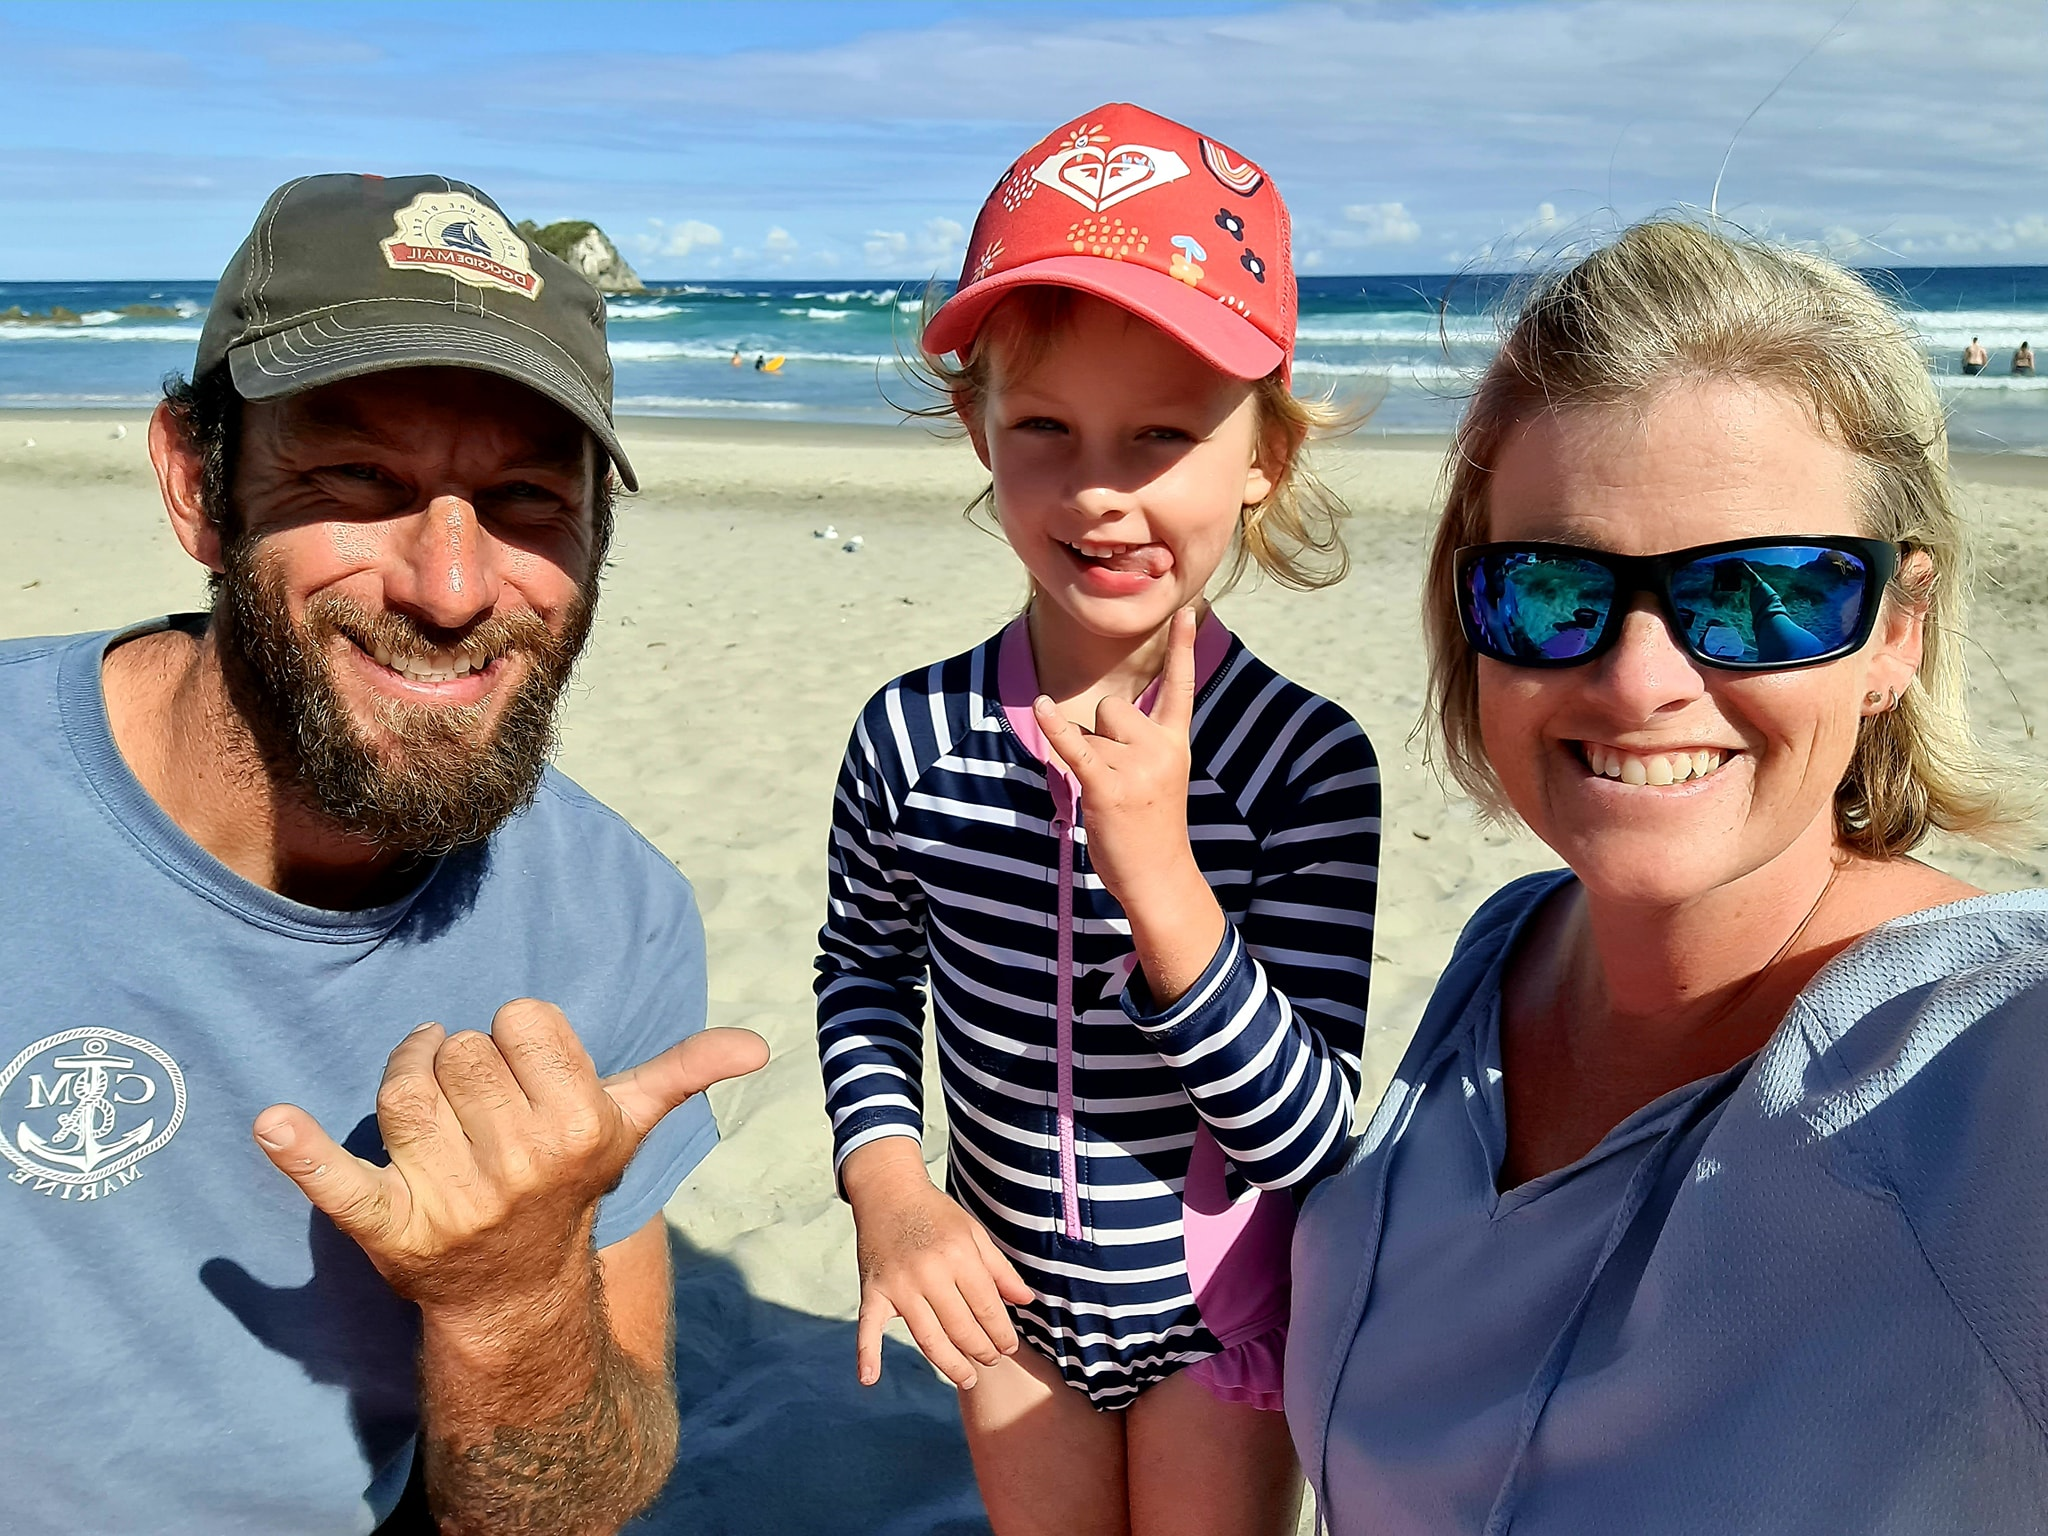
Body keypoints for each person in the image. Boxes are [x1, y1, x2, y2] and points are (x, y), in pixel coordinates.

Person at [0, 174, 767, 1536]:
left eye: (528, 498)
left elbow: (564, 1512)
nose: (453, 587)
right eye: (358, 479)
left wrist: (516, 1305)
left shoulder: (612, 918)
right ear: (197, 485)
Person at [1289, 220, 2046, 1530]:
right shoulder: (1505, 951)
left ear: (1897, 633)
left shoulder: (1979, 1064)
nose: (1641, 680)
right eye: (1550, 591)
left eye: (1765, 594)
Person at [814, 104, 1379, 1536]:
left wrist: (1160, 877)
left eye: (1166, 436)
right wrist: (889, 1185)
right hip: (1001, 1304)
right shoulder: (908, 738)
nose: (1104, 491)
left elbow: (1314, 1140)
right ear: (977, 428)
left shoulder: (1304, 764)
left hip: (1221, 1325)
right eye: (1047, 429)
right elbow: (865, 975)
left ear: (1265, 454)